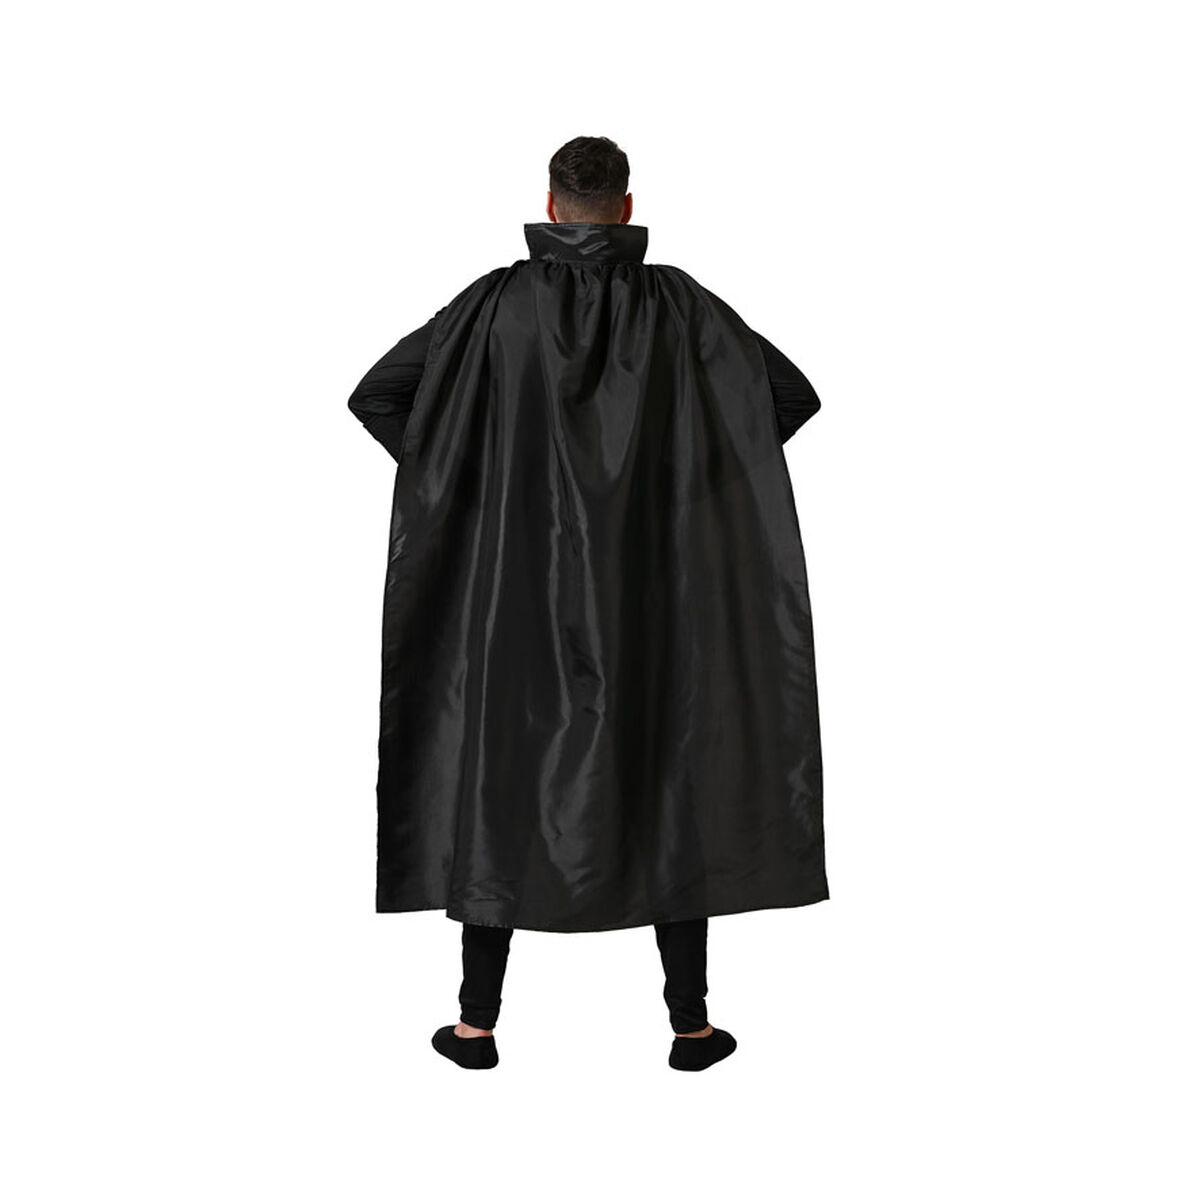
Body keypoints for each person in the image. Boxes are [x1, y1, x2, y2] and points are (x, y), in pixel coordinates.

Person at [347, 136, 828, 1072]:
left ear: (551, 205)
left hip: (514, 589)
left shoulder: (494, 307)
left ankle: (475, 1026)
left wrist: (473, 474)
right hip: (653, 592)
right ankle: (691, 1027)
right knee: (668, 772)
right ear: (627, 205)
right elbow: (787, 398)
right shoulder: (682, 307)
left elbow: (380, 396)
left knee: (502, 773)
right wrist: (683, 476)